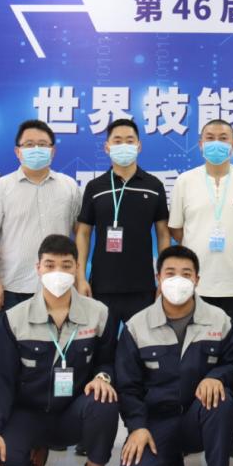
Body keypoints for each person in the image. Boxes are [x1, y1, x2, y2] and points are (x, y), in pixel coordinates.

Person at [0, 235, 121, 466]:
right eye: (50, 265)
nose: (58, 272)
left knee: (104, 401)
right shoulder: (15, 318)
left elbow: (108, 360)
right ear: (38, 268)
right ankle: (34, 455)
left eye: (66, 266)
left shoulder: (99, 313)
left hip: (74, 412)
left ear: (77, 268)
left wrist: (103, 377)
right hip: (29, 413)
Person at [115, 245, 233, 466]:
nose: (178, 280)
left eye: (186, 274)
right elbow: (128, 386)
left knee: (221, 399)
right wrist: (137, 427)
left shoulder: (219, 320)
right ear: (158, 278)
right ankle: (170, 465)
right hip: (158, 418)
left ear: (197, 279)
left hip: (200, 415)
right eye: (170, 273)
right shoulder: (137, 326)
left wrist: (216, 377)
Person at [168, 118, 233, 458]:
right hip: (193, 289)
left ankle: (228, 432)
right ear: (199, 144)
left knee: (231, 362)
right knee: (189, 362)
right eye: (209, 137)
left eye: (223, 137)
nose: (216, 143)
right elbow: (177, 230)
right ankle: (186, 430)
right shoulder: (185, 181)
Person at [0, 120, 81, 319]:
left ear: (52, 151)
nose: (36, 149)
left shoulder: (69, 186)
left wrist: (79, 277)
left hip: (59, 285)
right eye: (29, 144)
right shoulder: (2, 187)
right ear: (18, 151)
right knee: (11, 340)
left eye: (42, 144)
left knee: (57, 339)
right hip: (13, 287)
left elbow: (81, 234)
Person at [76, 118, 170, 325]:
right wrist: (80, 277)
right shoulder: (95, 187)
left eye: (129, 140)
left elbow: (163, 233)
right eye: (117, 141)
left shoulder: (154, 185)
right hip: (102, 286)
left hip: (142, 286)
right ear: (107, 147)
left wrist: (164, 277)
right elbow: (83, 233)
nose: (124, 145)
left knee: (141, 343)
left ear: (139, 146)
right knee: (102, 344)